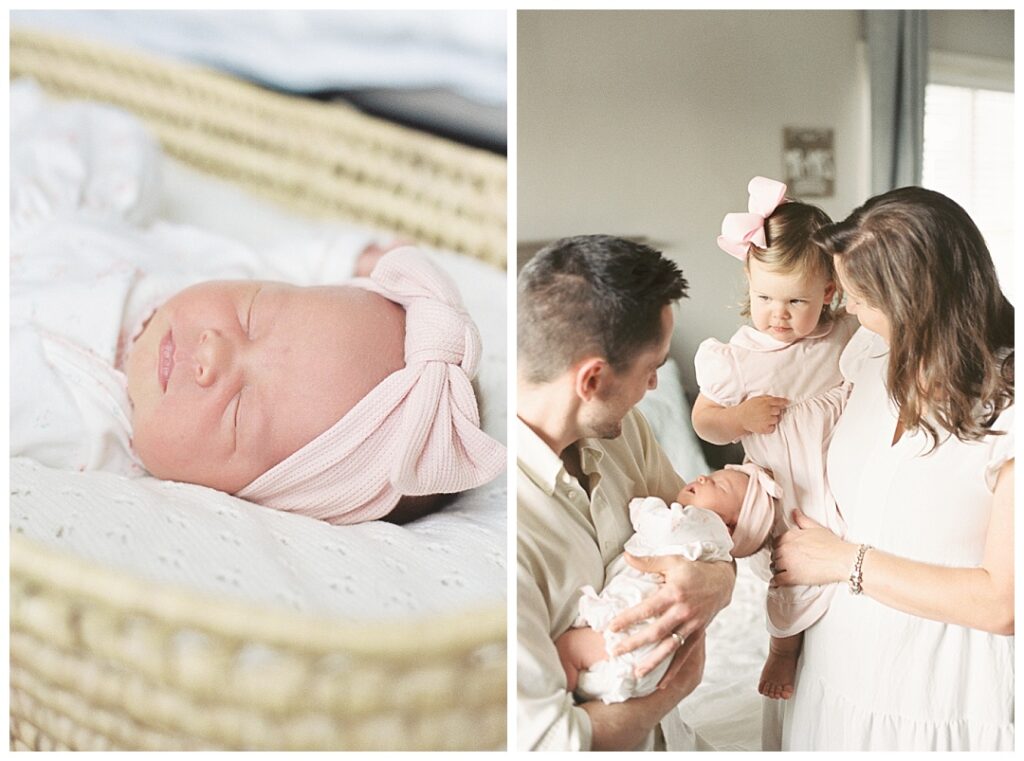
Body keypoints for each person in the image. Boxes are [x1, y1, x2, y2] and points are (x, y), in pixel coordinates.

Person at [10, 80, 505, 525]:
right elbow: (291, 268)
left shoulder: (92, 445)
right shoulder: (215, 272)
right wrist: (354, 256)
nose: (213, 353)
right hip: (50, 225)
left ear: (241, 495)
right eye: (251, 316)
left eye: (239, 413)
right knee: (123, 146)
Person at [771, 186, 1014, 751]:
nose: (847, 309)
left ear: (915, 300)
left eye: (859, 297)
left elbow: (1003, 603)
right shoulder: (867, 357)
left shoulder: (1011, 405)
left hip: (938, 691)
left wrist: (842, 561)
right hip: (837, 668)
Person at [517, 234, 737, 751]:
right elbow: (552, 741)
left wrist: (718, 583)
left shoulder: (626, 431)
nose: (655, 387)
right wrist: (671, 692)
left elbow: (699, 526)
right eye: (651, 370)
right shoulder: (512, 536)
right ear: (591, 379)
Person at [692, 177, 859, 708]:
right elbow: (704, 423)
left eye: (796, 301)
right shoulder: (737, 358)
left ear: (829, 293)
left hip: (841, 476)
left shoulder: (843, 337)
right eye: (765, 297)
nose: (778, 314)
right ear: (748, 278)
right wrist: (740, 417)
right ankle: (783, 648)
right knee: (788, 565)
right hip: (783, 488)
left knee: (846, 555)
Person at [557, 463, 779, 706]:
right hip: (646, 660)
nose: (704, 477)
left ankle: (558, 705)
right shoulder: (712, 547)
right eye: (712, 475)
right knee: (577, 672)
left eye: (720, 485)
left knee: (565, 652)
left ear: (730, 525)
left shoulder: (699, 524)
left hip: (631, 642)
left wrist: (642, 507)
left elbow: (659, 525)